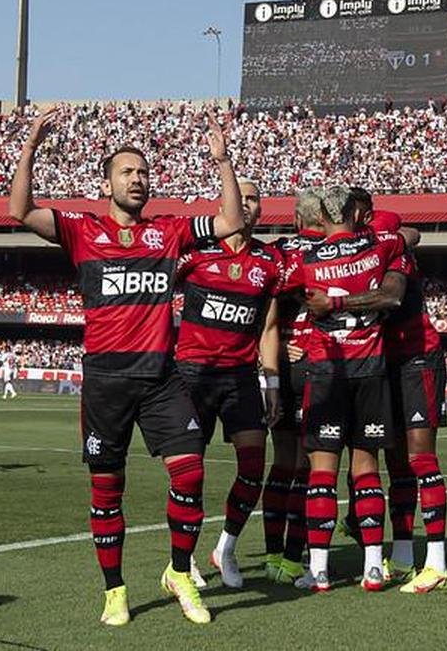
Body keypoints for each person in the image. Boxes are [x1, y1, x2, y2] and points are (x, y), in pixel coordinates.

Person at [8, 107, 244, 627]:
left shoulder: (170, 233)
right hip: (107, 383)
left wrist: (222, 162)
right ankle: (114, 589)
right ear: (108, 183)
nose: (137, 180)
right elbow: (21, 210)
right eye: (127, 173)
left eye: (143, 173)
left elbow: (232, 221)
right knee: (106, 488)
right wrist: (29, 147)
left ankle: (179, 572)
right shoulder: (79, 230)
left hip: (161, 379)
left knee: (190, 472)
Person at [288, 185, 410, 593]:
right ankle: (374, 568)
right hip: (370, 369)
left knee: (321, 473)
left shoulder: (303, 259)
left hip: (325, 372)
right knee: (366, 469)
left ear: (321, 216)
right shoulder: (380, 245)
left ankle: (318, 570)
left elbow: (275, 287)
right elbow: (408, 236)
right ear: (357, 213)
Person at [173, 179, 284, 588]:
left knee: (253, 467)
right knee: (190, 473)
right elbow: (157, 289)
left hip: (240, 377)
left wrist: (271, 385)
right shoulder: (196, 253)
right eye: (244, 198)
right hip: (193, 374)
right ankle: (183, 560)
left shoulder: (270, 263)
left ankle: (226, 548)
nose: (249, 206)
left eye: (256, 199)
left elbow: (269, 328)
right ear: (227, 204)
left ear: (261, 210)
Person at [348, 189, 447, 593]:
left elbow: (392, 291)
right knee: (396, 463)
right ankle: (405, 555)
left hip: (417, 357)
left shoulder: (389, 243)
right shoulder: (355, 250)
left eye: (348, 212)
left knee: (421, 458)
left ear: (364, 215)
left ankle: (437, 562)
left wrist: (335, 305)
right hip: (381, 361)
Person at [261, 188, 325, 585]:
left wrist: (278, 341)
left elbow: (258, 305)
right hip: (312, 367)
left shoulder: (276, 251)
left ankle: (277, 556)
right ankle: (290, 556)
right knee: (306, 464)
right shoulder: (337, 252)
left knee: (287, 460)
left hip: (288, 364)